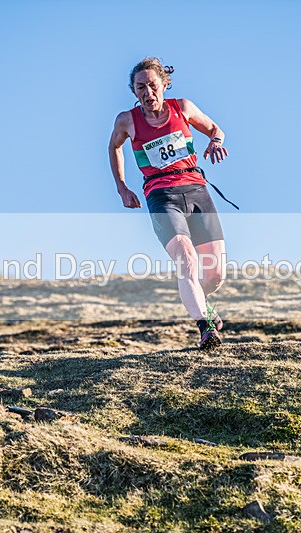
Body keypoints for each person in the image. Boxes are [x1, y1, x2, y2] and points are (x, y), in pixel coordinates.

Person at [109, 57, 231, 350]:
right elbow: (114, 146)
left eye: (152, 85)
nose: (147, 92)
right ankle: (205, 328)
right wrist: (122, 188)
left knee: (215, 274)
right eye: (140, 87)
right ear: (134, 91)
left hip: (197, 190)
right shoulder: (127, 120)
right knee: (186, 258)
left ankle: (202, 304)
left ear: (164, 84)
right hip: (161, 195)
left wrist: (215, 141)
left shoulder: (183, 108)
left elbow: (216, 128)